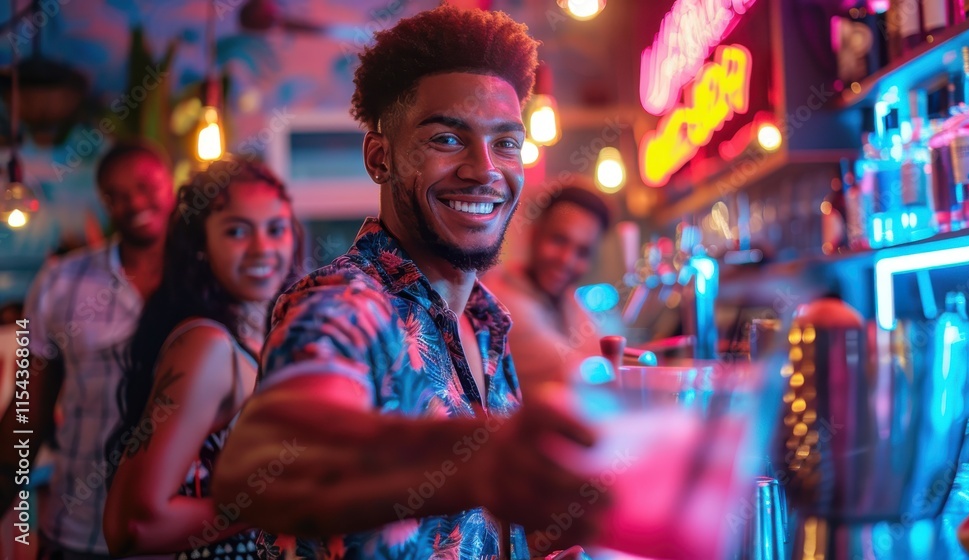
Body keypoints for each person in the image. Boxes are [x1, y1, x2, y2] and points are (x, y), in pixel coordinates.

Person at [214, 6, 601, 559]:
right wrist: (485, 457)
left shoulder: (486, 324)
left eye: (506, 143)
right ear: (381, 158)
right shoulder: (347, 304)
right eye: (447, 139)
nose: (484, 168)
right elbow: (260, 462)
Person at [102, 157, 302, 559]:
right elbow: (133, 526)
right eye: (237, 232)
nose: (263, 248)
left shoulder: (267, 339)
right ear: (200, 247)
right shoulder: (208, 347)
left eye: (276, 229)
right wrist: (284, 502)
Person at [0, 140, 175, 559]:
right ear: (104, 203)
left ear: (171, 185)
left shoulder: (209, 278)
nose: (133, 201)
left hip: (187, 538)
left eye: (145, 186)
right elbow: (29, 408)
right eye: (117, 194)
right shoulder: (62, 281)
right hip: (79, 532)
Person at [483, 186, 614, 397]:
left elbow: (602, 354)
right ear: (535, 235)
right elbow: (579, 376)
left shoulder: (563, 298)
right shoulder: (501, 301)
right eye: (559, 240)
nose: (567, 261)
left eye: (582, 252)